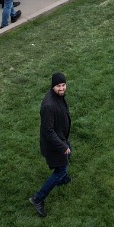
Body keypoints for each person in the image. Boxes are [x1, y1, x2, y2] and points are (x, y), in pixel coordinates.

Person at [29, 72, 71, 217]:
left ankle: (63, 179)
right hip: (55, 144)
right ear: (53, 87)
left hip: (62, 138)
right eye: (58, 86)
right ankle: (38, 199)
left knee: (68, 154)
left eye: (64, 85)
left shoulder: (58, 97)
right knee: (60, 170)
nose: (62, 88)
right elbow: (48, 132)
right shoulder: (48, 105)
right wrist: (62, 146)